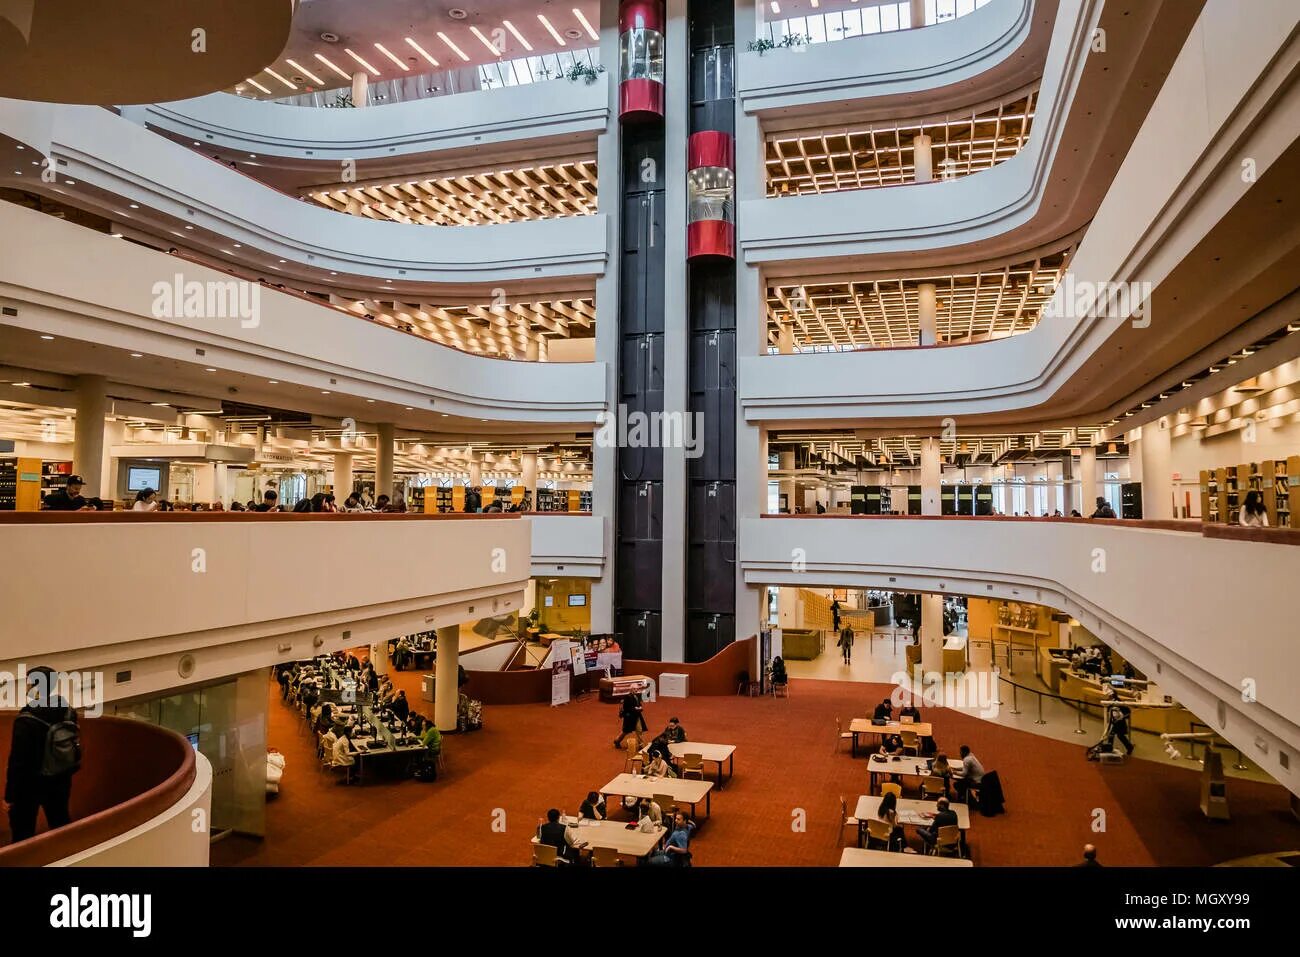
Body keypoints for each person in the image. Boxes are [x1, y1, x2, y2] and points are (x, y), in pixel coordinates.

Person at [3, 666, 81, 843]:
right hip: (60, 778)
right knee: (60, 822)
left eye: (29, 684)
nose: (27, 688)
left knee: (23, 832)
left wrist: (9, 796)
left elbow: (17, 762)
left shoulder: (26, 719)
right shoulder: (67, 710)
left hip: (29, 785)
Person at [1101, 690, 1134, 755]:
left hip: (1119, 722)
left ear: (1112, 695)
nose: (1108, 697)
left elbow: (1127, 711)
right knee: (1111, 735)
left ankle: (1129, 747)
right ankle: (1109, 749)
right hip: (1113, 721)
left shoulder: (1118, 702)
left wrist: (1121, 717)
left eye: (1109, 696)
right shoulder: (1110, 703)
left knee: (1120, 736)